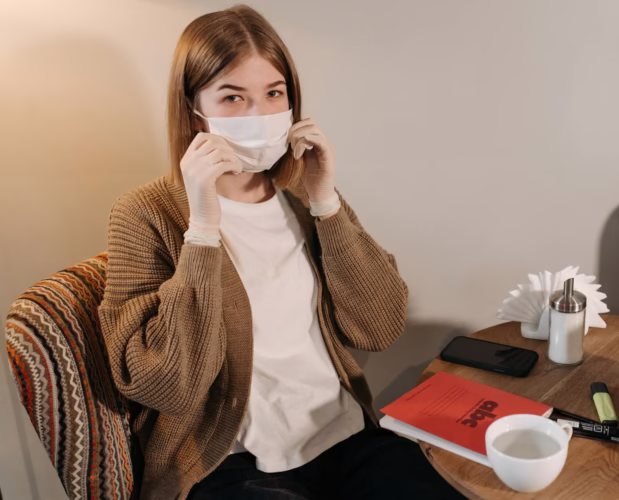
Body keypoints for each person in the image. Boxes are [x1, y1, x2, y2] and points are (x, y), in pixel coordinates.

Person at [98, 4, 464, 500]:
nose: (259, 116)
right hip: (229, 461)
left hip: (344, 437)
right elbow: (164, 385)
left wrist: (326, 201)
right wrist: (203, 228)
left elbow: (379, 327)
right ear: (193, 108)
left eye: (274, 94)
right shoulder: (146, 212)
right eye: (232, 97)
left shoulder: (302, 200)